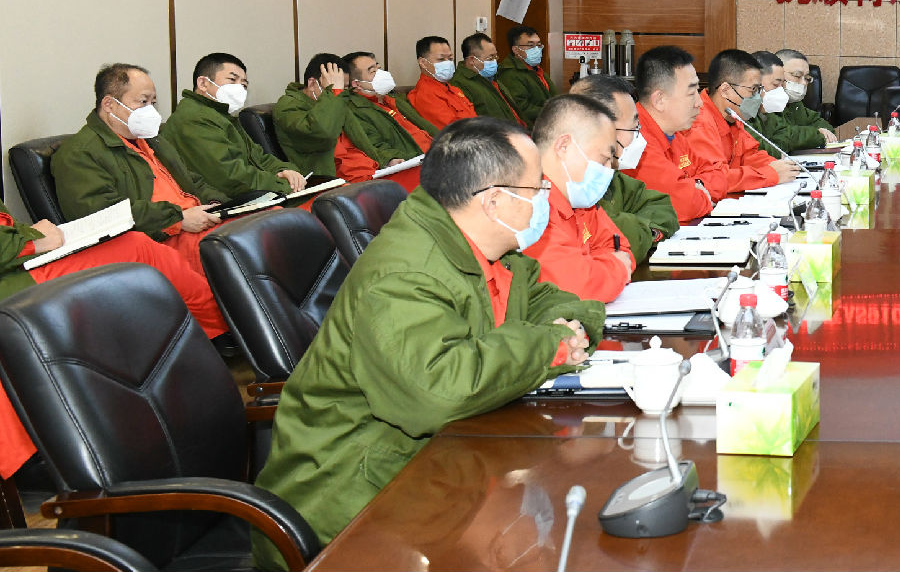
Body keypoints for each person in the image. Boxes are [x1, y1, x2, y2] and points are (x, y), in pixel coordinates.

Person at [252, 118, 604, 565]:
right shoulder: (405, 274)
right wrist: (549, 346)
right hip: (354, 497)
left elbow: (551, 300)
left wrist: (570, 330)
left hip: (441, 463)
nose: (546, 199)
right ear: (494, 200)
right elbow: (437, 391)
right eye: (538, 189)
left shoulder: (486, 249)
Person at [0, 201, 229, 479]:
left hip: (20, 261)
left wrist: (31, 236)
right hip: (14, 275)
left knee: (136, 246)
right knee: (137, 249)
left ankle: (210, 343)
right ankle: (227, 328)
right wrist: (33, 239)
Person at [52, 63, 228, 276]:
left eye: (153, 103)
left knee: (258, 225)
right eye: (143, 102)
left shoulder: (151, 139)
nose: (151, 110)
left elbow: (192, 181)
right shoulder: (79, 153)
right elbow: (103, 214)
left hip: (200, 223)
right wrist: (178, 219)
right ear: (109, 104)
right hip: (160, 240)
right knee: (234, 252)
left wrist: (218, 204)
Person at [522, 94, 634, 302]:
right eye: (604, 159)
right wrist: (612, 268)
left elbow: (622, 249)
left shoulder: (579, 199)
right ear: (563, 146)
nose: (608, 171)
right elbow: (578, 286)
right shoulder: (528, 205)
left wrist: (597, 268)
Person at [161, 52, 307, 197]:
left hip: (250, 194)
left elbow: (260, 157)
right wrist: (283, 184)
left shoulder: (222, 116)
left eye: (244, 85)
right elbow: (229, 177)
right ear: (203, 83)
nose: (239, 89)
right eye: (232, 80)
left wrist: (286, 171)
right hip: (220, 203)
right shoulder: (194, 118)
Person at [571, 74, 679, 265]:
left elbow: (663, 208)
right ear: (604, 129)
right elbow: (617, 242)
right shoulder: (575, 182)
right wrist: (642, 229)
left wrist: (643, 231)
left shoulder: (612, 176)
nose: (639, 137)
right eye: (634, 127)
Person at [626, 45, 724, 222]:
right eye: (691, 92)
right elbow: (685, 204)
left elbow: (719, 176)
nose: (700, 102)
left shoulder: (675, 134)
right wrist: (696, 192)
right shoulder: (634, 141)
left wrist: (696, 186)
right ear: (660, 100)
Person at [686, 49, 801, 193]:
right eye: (753, 90)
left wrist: (782, 167)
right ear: (726, 90)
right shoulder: (698, 122)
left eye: (759, 90)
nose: (759, 97)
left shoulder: (732, 116)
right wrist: (770, 174)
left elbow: (750, 156)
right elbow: (713, 180)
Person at [336, 51, 434, 183]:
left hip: (437, 153)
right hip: (418, 166)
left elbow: (425, 127)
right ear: (356, 84)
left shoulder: (392, 99)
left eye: (378, 68)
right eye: (373, 71)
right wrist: (390, 159)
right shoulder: (355, 110)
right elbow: (374, 145)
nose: (381, 73)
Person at [275, 53, 353, 177]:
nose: (340, 93)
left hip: (355, 167)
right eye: (334, 87)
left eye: (344, 88)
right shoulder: (288, 107)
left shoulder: (338, 99)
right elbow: (323, 132)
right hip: (324, 178)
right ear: (312, 84)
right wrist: (334, 92)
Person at [745, 51, 823, 154]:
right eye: (776, 84)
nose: (781, 91)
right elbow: (767, 151)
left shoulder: (770, 109)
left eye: (783, 84)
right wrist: (815, 134)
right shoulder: (741, 112)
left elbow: (783, 136)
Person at [450, 32, 526, 125]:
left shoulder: (492, 78)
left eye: (495, 57)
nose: (495, 62)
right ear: (472, 60)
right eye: (490, 58)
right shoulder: (460, 84)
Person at [403, 35, 476, 130]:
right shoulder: (426, 95)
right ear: (423, 63)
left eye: (450, 59)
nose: (448, 63)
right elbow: (453, 130)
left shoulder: (453, 89)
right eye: (441, 59)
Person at [774, 49, 838, 146]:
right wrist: (817, 134)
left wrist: (823, 132)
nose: (804, 83)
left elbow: (824, 126)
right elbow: (784, 137)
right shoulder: (766, 102)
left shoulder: (795, 103)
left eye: (807, 78)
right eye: (797, 76)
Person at [496, 25, 553, 124]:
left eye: (539, 45)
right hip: (530, 128)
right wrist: (553, 112)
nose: (537, 49)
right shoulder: (509, 74)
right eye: (531, 45)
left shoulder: (535, 69)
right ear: (516, 50)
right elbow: (522, 108)